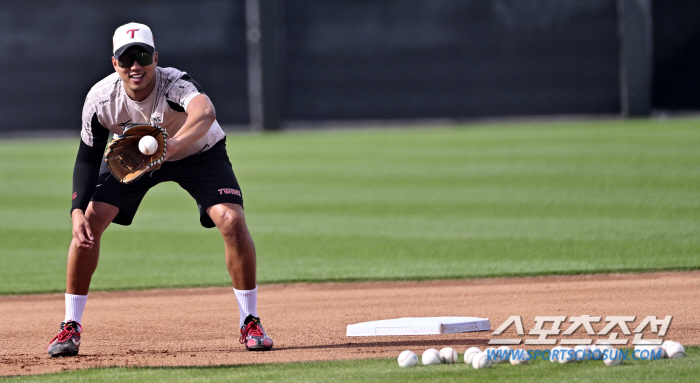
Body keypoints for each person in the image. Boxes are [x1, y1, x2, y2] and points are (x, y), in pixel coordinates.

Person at [47, 22, 273, 357]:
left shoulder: (174, 83)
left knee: (231, 220)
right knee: (89, 226)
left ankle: (250, 321)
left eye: (141, 56)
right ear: (114, 63)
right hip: (134, 159)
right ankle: (70, 327)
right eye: (126, 58)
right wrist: (76, 210)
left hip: (198, 154)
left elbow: (205, 112)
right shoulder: (100, 100)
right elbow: (87, 158)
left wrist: (171, 146)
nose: (135, 65)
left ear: (155, 58)